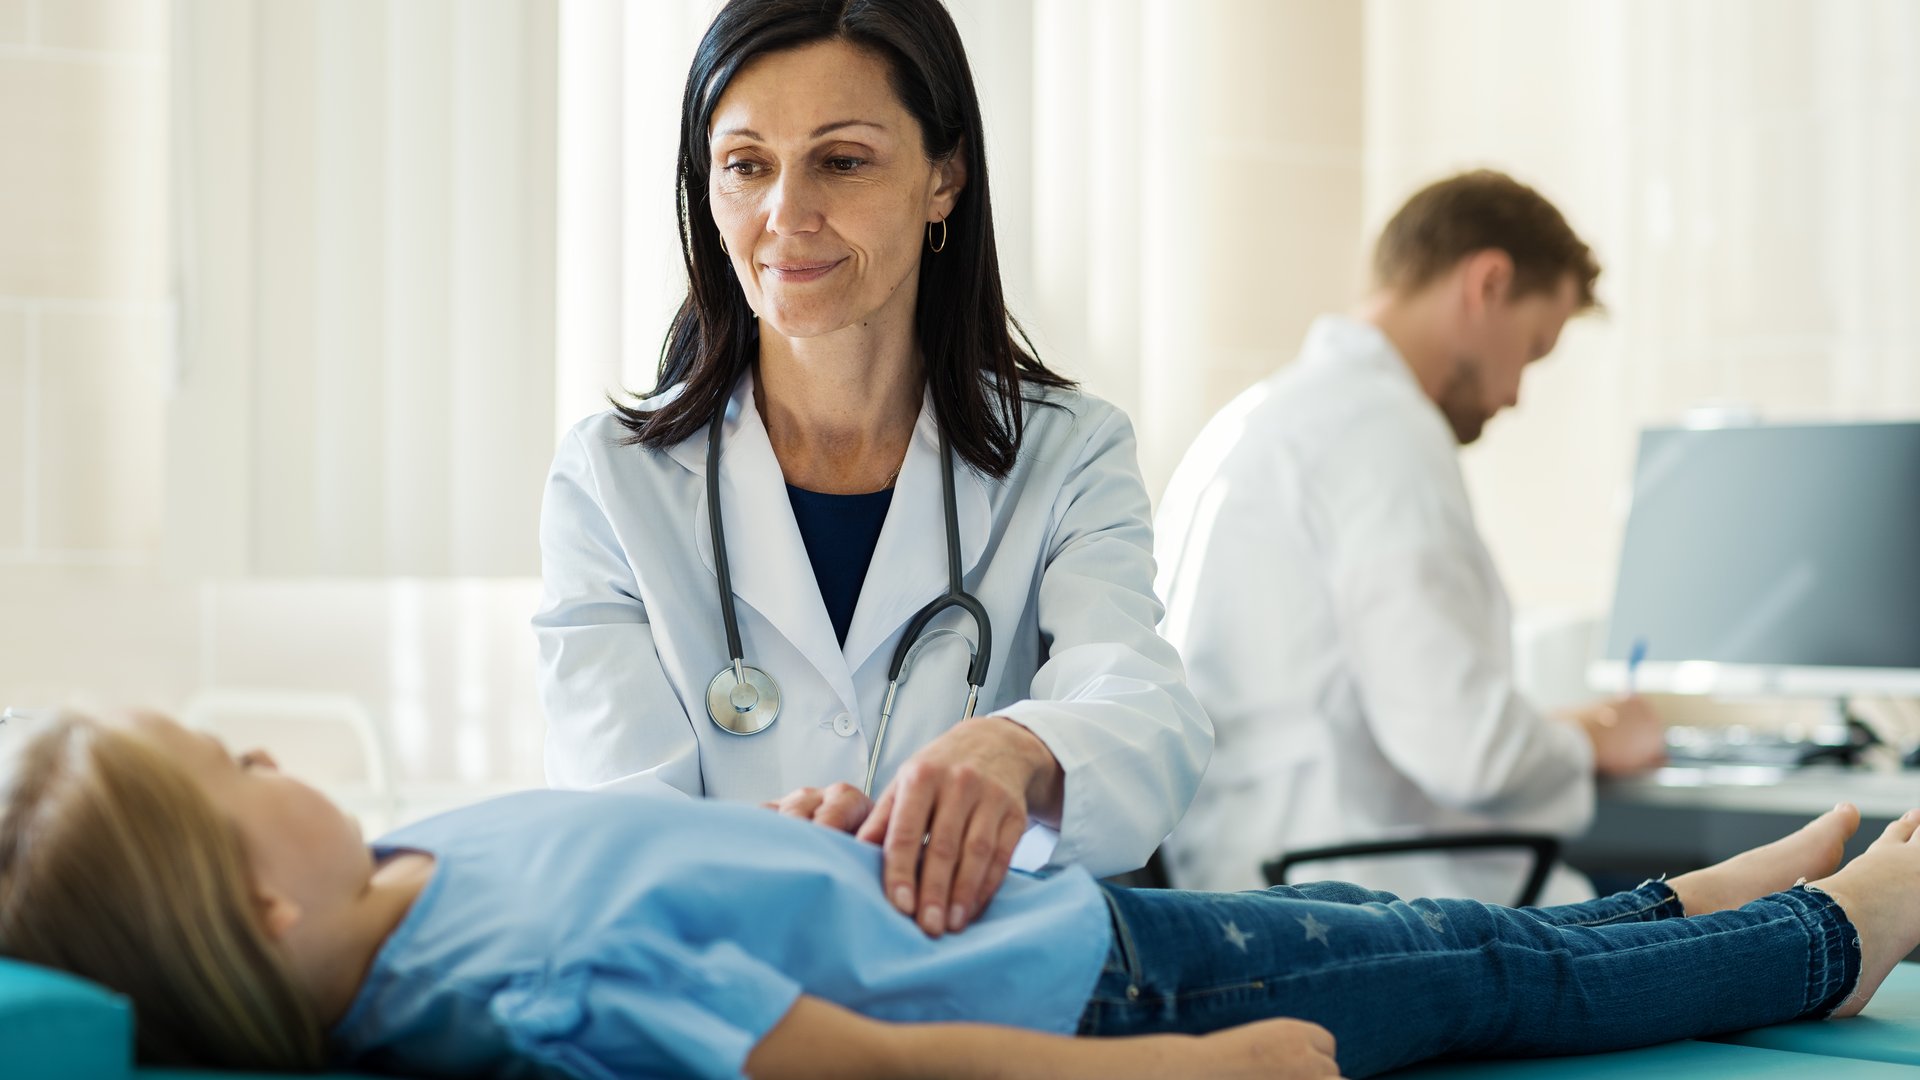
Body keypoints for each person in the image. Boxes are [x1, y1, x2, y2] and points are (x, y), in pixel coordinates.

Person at [6, 709, 1919, 1079]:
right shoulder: (528, 993)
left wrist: (809, 827)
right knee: (1479, 983)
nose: (266, 753)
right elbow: (852, 1064)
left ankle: (1710, 916)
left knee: (1471, 946)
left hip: (1062, 909)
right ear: (252, 925)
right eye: (226, 778)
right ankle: (1843, 935)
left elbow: (704, 865)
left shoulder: (421, 867)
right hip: (1103, 998)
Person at [532, 0, 1208, 938]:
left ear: (944, 178)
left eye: (842, 161)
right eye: (747, 165)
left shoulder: (1066, 452)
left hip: (979, 984)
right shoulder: (612, 481)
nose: (787, 215)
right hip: (733, 1001)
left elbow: (1145, 713)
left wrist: (1019, 747)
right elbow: (624, 830)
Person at [1154, 171, 1666, 903]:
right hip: (1352, 890)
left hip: (1239, 867)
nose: (1515, 395)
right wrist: (1593, 741)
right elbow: (1465, 754)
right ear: (1487, 283)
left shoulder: (1262, 417)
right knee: (1704, 912)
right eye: (1531, 348)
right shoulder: (1382, 430)